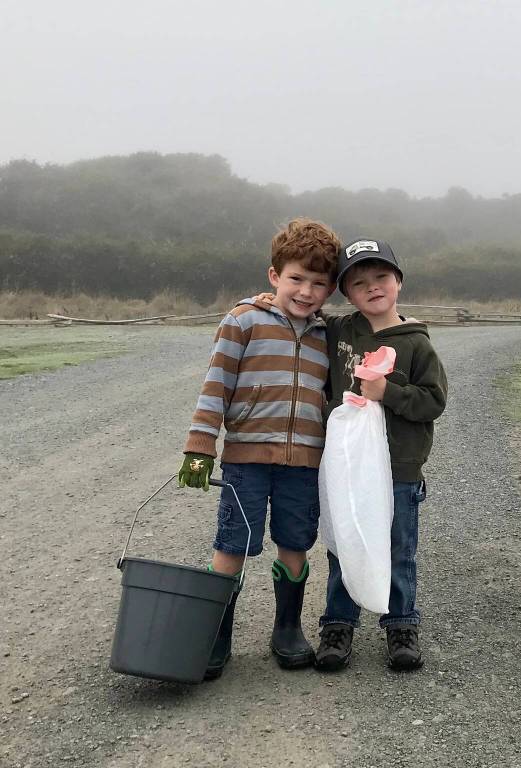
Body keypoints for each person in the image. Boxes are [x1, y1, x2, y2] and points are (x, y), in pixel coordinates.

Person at [177, 217, 340, 679]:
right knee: (233, 543)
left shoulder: (328, 335)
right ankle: (215, 635)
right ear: (274, 275)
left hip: (304, 462)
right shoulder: (243, 321)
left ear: (331, 289)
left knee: (295, 542)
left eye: (319, 283)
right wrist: (200, 446)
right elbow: (216, 386)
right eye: (296, 279)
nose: (306, 291)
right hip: (245, 460)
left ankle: (287, 629)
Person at [314, 237, 447, 672]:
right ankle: (338, 624)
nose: (372, 287)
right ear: (346, 294)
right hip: (349, 467)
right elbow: (301, 311)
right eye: (359, 282)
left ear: (398, 281)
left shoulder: (417, 345)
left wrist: (388, 392)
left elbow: (433, 401)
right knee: (345, 544)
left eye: (381, 276)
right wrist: (264, 300)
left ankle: (401, 624)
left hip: (398, 468)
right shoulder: (340, 331)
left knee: (398, 547)